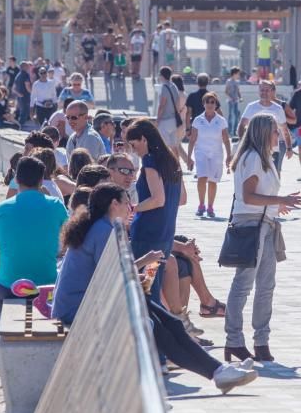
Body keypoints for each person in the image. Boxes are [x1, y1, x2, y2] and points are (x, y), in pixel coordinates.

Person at [52, 183, 257, 393]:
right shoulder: (103, 230)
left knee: (168, 322)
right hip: (77, 309)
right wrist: (143, 262)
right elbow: (108, 273)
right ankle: (218, 372)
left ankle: (219, 371)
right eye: (126, 203)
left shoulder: (99, 226)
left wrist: (137, 271)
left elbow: (108, 272)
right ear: (114, 204)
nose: (130, 208)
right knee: (158, 325)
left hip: (83, 302)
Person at [225, 114, 301, 363]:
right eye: (274, 132)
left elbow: (260, 195)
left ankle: (261, 341)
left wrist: (276, 206)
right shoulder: (252, 159)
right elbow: (249, 197)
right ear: (262, 133)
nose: (278, 136)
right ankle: (234, 340)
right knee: (244, 284)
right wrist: (281, 201)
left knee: (266, 285)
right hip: (251, 224)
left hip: (265, 224)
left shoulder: (265, 159)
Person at [0, 156, 68, 357]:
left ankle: (4, 350)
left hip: (9, 286)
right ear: (42, 180)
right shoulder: (57, 206)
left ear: (16, 178)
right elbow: (69, 244)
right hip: (47, 286)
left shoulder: (2, 209)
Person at [125, 119, 186, 303]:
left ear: (143, 139)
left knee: (146, 290)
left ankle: (157, 330)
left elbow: (158, 199)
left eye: (134, 145)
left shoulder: (150, 161)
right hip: (165, 235)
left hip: (147, 236)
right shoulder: (172, 160)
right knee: (151, 286)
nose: (134, 150)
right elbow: (182, 199)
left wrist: (133, 208)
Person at [186, 92, 233, 218]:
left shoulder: (221, 120)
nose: (210, 104)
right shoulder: (198, 120)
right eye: (208, 102)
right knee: (202, 176)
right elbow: (192, 139)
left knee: (213, 180)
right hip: (201, 152)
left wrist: (229, 155)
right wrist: (188, 157)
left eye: (212, 102)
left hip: (216, 154)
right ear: (204, 104)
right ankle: (201, 205)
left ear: (216, 104)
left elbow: (226, 139)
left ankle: (210, 206)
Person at [238, 80, 293, 174]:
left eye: (267, 90)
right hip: (255, 149)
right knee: (256, 174)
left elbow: (284, 130)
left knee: (274, 175)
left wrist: (289, 147)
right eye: (262, 90)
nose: (264, 92)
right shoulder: (251, 107)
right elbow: (241, 126)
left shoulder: (278, 108)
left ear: (272, 92)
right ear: (258, 91)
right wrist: (244, 143)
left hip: (273, 150)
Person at [155, 66, 183, 148]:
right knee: (174, 145)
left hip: (165, 121)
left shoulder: (164, 87)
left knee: (164, 146)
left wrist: (157, 120)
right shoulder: (173, 86)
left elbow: (162, 105)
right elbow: (178, 103)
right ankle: (176, 160)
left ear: (161, 75)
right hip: (174, 120)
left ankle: (166, 161)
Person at [11, 61, 33, 126]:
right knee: (24, 111)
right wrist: (33, 93)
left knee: (20, 111)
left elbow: (13, 89)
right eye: (27, 66)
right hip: (25, 96)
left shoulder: (17, 75)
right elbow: (27, 86)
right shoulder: (26, 75)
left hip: (20, 97)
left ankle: (16, 123)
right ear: (24, 67)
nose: (28, 67)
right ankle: (19, 125)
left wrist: (18, 94)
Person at [224, 67, 242, 137]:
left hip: (236, 101)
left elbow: (238, 91)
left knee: (237, 116)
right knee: (231, 116)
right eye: (238, 74)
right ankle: (229, 131)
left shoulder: (237, 82)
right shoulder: (228, 81)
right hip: (231, 101)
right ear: (234, 74)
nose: (238, 75)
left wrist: (240, 97)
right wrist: (231, 98)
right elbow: (226, 91)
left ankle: (234, 131)